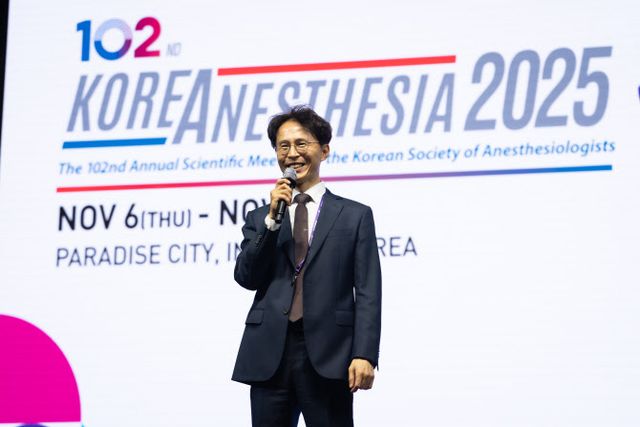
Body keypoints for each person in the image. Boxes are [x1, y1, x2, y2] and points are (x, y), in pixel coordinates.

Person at [232, 105, 382, 427]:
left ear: (324, 151)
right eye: (283, 146)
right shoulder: (261, 217)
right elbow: (247, 276)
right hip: (269, 353)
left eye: (302, 144)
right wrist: (272, 222)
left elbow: (368, 291)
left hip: (330, 353)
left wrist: (365, 354)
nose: (292, 154)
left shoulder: (355, 216)